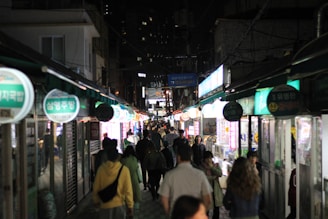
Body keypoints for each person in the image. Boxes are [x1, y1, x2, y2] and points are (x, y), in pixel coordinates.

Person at [158, 142, 212, 216]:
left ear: (178, 157)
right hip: (195, 214)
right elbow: (208, 200)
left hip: (176, 214)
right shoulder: (200, 174)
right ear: (191, 157)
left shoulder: (170, 175)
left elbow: (164, 198)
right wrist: (200, 214)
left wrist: (169, 213)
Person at [92, 145, 134, 219]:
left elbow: (96, 187)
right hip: (119, 205)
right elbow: (128, 190)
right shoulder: (124, 170)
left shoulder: (101, 170)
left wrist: (96, 201)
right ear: (118, 157)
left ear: (107, 157)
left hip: (104, 205)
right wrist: (130, 205)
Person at [200, 151, 224, 219]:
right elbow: (203, 178)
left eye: (210, 158)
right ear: (204, 159)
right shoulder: (201, 167)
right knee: (206, 209)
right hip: (206, 190)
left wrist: (211, 168)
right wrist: (213, 177)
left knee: (216, 209)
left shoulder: (215, 165)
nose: (209, 160)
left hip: (215, 190)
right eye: (207, 158)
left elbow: (220, 174)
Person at [121, 145, 142, 211]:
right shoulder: (134, 159)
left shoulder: (122, 160)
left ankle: (127, 206)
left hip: (124, 179)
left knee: (126, 192)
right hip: (134, 178)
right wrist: (140, 179)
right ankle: (135, 207)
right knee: (135, 192)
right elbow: (137, 170)